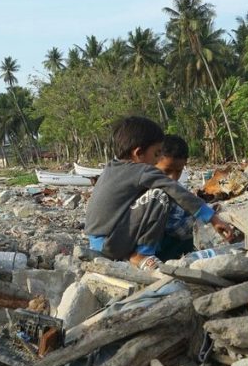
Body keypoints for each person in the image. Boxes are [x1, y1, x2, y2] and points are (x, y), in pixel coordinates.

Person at [85, 116, 235, 271]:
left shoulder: (111, 168)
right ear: (138, 153)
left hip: (97, 242)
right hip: (111, 243)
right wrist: (212, 217)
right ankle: (143, 254)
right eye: (156, 154)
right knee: (159, 195)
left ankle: (131, 255)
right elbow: (174, 189)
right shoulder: (141, 170)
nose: (156, 160)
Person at [155, 135, 198, 261]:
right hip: (161, 248)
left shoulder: (178, 188)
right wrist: (195, 220)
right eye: (166, 171)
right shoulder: (155, 192)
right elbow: (176, 230)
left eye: (178, 171)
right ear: (154, 160)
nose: (172, 177)